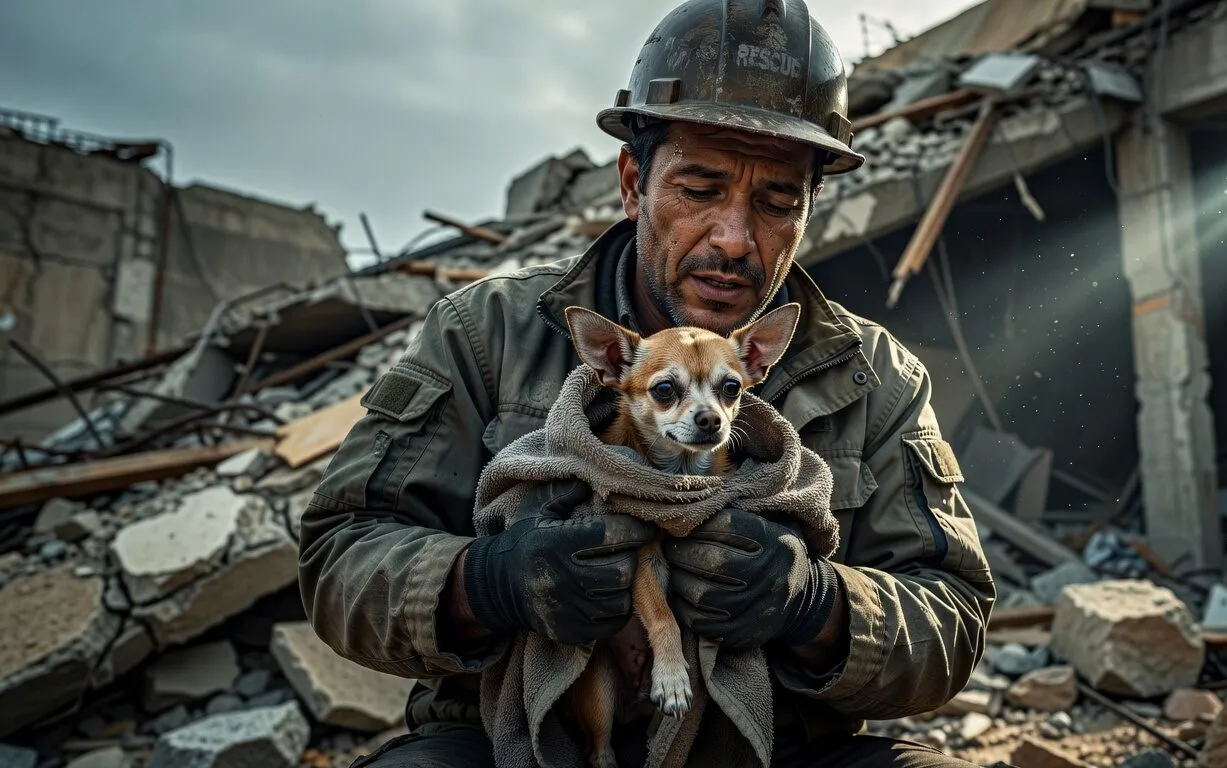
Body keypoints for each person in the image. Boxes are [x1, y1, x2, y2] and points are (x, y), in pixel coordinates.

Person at [297, 1, 996, 765]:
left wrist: (817, 607)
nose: (734, 237)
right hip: (519, 746)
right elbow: (338, 558)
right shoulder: (489, 333)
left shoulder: (874, 378)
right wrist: (488, 583)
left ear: (808, 210)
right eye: (700, 189)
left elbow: (952, 617)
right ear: (634, 182)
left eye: (775, 202)